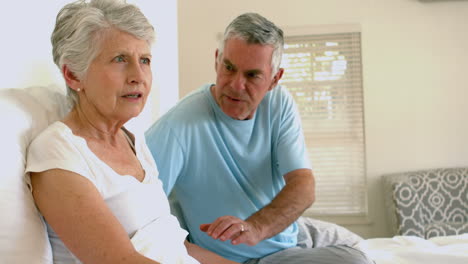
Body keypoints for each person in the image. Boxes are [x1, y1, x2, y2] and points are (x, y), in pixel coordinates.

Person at [145, 12, 373, 264]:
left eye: (252, 75)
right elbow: (139, 216)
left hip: (290, 236)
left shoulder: (279, 103)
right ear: (217, 60)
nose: (235, 85)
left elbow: (303, 185)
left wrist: (256, 227)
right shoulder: (177, 127)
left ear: (275, 79)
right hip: (246, 258)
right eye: (229, 68)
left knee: (363, 250)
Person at [26, 0, 239, 263]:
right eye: (120, 59)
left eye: (145, 60)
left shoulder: (134, 141)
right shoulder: (57, 153)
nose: (138, 75)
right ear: (73, 75)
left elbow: (177, 247)